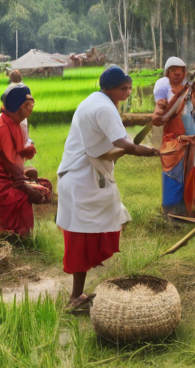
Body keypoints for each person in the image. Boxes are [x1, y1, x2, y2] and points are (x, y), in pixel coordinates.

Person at [56, 66, 159, 311]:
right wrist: (152, 152)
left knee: (110, 218)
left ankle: (77, 294)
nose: (127, 92)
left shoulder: (96, 101)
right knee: (81, 239)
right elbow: (122, 144)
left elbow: (110, 150)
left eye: (129, 88)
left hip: (84, 177)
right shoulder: (103, 107)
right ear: (109, 88)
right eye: (123, 88)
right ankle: (74, 298)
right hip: (82, 179)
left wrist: (141, 137)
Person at [0, 83, 51, 237]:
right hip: (1, 183)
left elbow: (16, 153)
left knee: (45, 187)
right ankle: (16, 238)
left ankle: (19, 236)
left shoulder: (15, 123)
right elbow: (10, 161)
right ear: (17, 107)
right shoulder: (2, 127)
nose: (31, 107)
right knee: (25, 197)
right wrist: (25, 187)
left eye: (31, 104)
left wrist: (25, 150)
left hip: (12, 178)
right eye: (27, 104)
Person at [152, 57, 195, 218]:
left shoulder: (191, 88)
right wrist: (158, 115)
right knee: (174, 175)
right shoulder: (164, 88)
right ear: (167, 73)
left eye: (180, 69)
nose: (177, 73)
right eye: (173, 70)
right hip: (175, 142)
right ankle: (173, 212)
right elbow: (160, 108)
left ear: (185, 71)